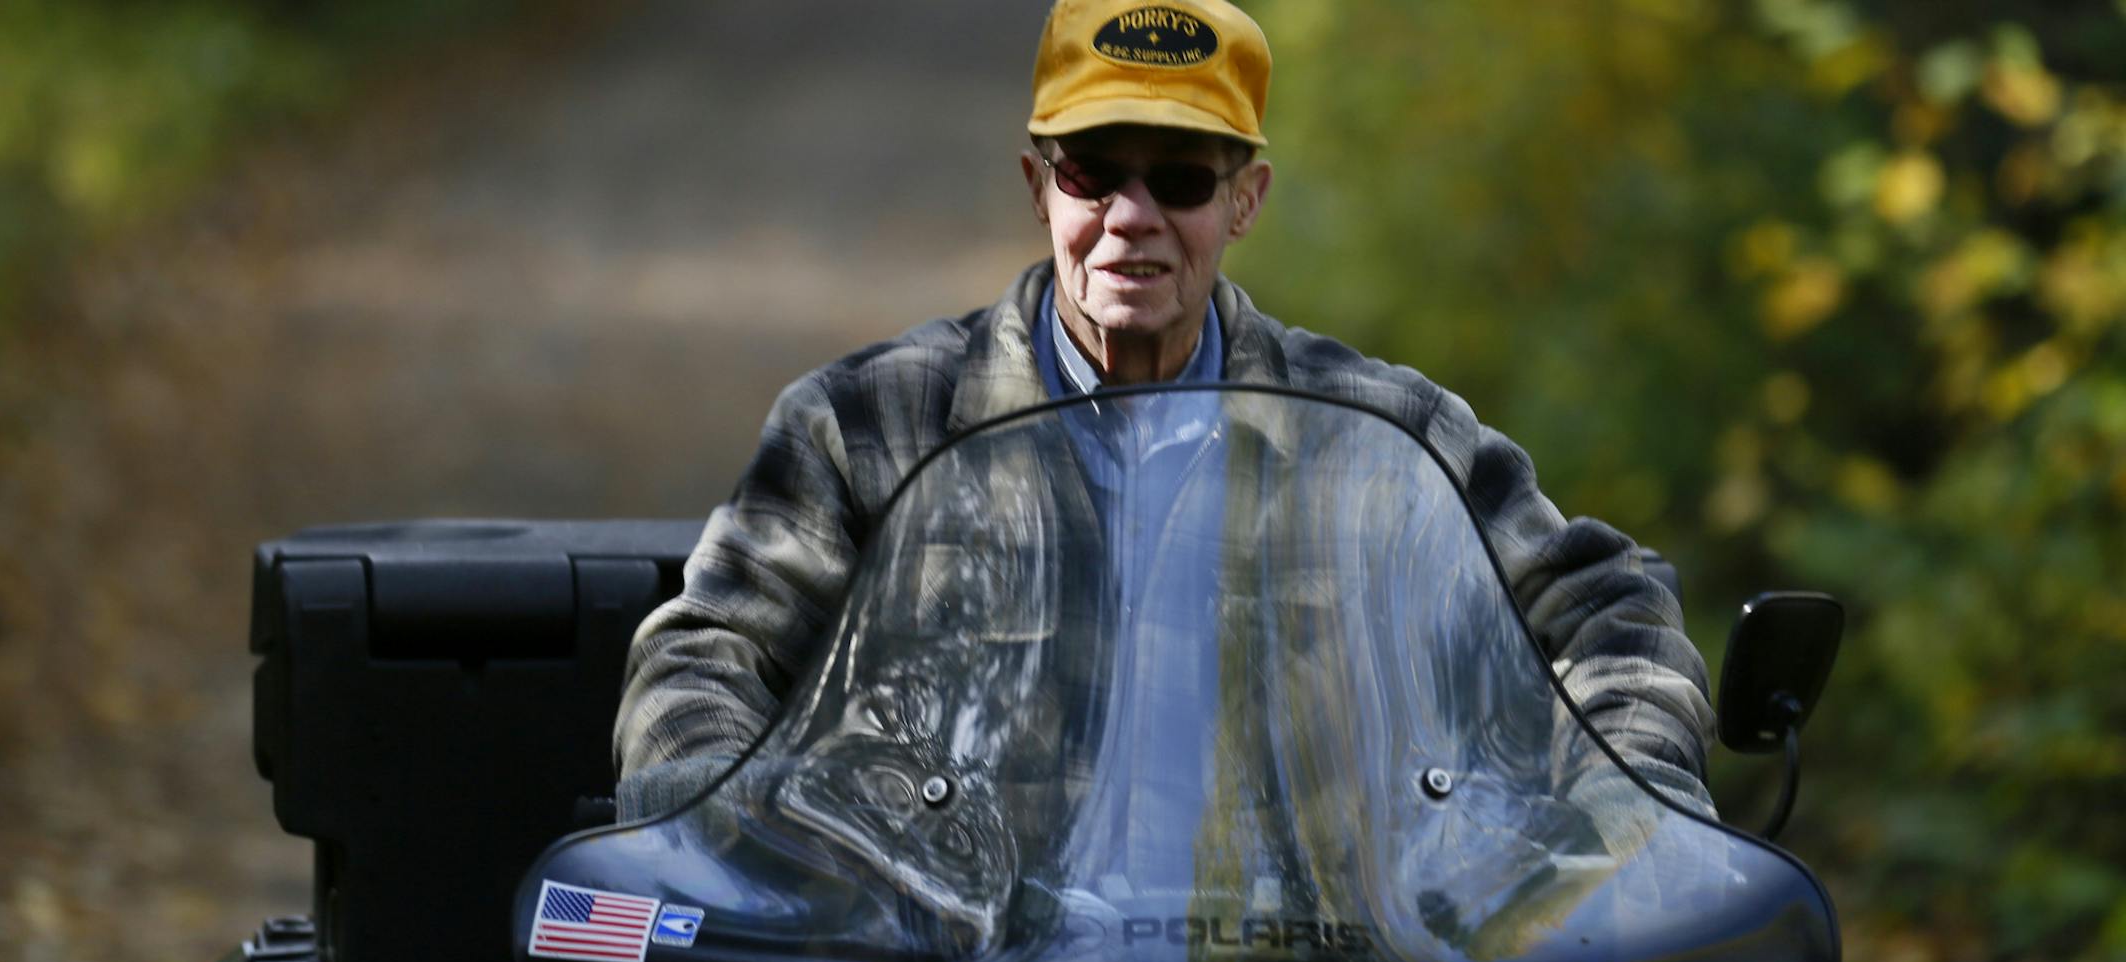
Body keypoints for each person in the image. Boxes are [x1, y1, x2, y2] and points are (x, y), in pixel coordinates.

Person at [612, 0, 1716, 823]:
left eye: (1181, 178)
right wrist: (723, 831)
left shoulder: (1386, 434)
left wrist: (1629, 801)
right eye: (1094, 174)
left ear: (1246, 198)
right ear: (1039, 187)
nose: (1131, 217)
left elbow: (1607, 605)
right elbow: (708, 649)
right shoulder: (863, 426)